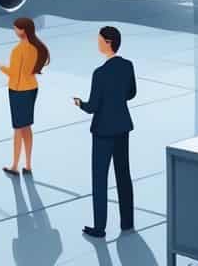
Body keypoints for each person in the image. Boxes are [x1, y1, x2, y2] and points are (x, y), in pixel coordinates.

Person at [74, 26, 136, 239]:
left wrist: (79, 103)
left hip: (103, 131)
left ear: (108, 42)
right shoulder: (128, 66)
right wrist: (116, 100)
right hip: (122, 126)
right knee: (123, 175)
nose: (98, 43)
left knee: (100, 179)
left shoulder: (99, 74)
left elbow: (93, 106)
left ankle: (99, 228)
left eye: (100, 40)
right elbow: (131, 93)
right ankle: (127, 222)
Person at [0, 17, 50, 176]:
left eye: (16, 29)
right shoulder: (37, 48)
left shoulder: (18, 50)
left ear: (23, 30)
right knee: (26, 127)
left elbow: (13, 73)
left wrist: (0, 67)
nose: (15, 31)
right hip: (31, 88)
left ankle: (14, 165)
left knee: (18, 129)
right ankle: (27, 165)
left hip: (18, 90)